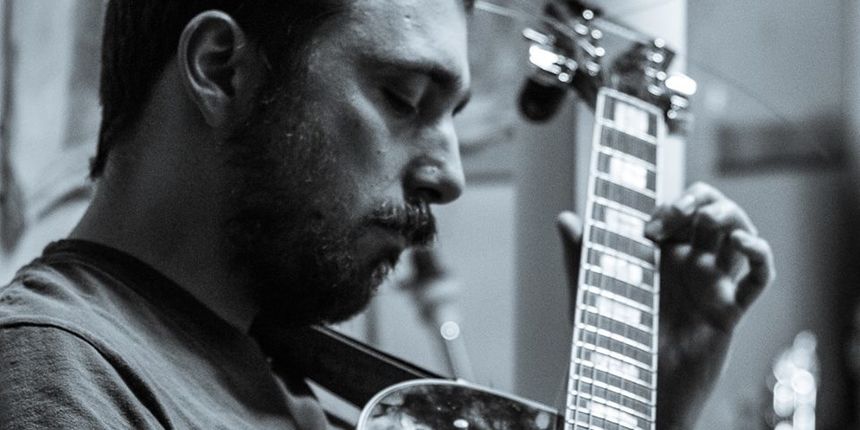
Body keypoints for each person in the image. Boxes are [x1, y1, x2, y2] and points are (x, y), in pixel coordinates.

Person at [0, 0, 775, 428]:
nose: (450, 177)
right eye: (404, 99)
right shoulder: (55, 377)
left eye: (454, 118)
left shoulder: (262, 371)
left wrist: (656, 404)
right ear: (222, 69)